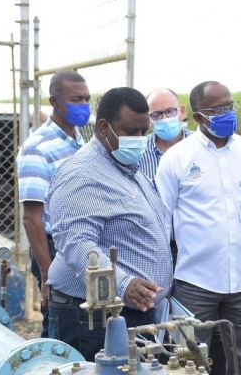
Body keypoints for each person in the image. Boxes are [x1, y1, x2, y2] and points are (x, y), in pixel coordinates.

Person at [155, 81, 241, 375]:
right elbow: (161, 220)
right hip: (194, 282)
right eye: (218, 109)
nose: (228, 114)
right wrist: (163, 275)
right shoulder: (178, 158)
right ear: (199, 116)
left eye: (230, 106)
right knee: (190, 363)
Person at [44, 87, 173, 361]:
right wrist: (123, 284)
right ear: (104, 127)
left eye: (143, 132)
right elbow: (77, 244)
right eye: (130, 132)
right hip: (92, 318)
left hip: (130, 311)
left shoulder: (125, 168)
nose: (139, 140)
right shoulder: (82, 174)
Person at [16, 69, 91, 338]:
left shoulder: (81, 143)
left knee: (84, 323)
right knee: (61, 326)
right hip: (54, 250)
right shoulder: (38, 148)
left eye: (86, 99)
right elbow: (32, 218)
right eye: (76, 100)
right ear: (55, 102)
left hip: (81, 245)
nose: (83, 106)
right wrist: (49, 275)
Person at [139, 88, 194, 181]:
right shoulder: (139, 152)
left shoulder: (201, 144)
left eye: (170, 111)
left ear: (182, 111)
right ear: (148, 119)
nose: (165, 118)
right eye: (156, 114)